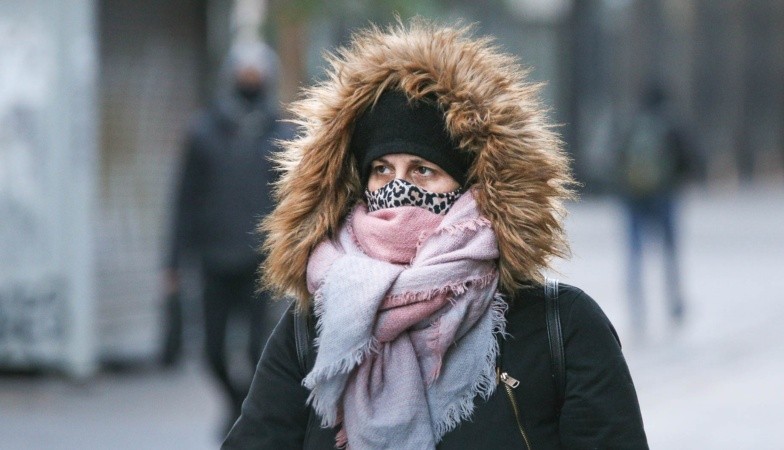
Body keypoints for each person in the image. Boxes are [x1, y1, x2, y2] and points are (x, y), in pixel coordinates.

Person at [224, 20, 648, 449]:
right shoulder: (312, 330)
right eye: (382, 170)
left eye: (423, 170)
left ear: (474, 186)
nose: (398, 189)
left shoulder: (559, 326)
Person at [164, 40, 291, 431]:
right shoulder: (203, 131)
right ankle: (236, 402)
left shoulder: (284, 135)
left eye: (258, 72)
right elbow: (184, 201)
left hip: (263, 265)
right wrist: (172, 263)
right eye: (244, 71)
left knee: (259, 351)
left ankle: (247, 417)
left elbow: (296, 202)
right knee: (211, 352)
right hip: (213, 261)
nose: (250, 78)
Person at [616, 84, 691, 336]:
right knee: (670, 254)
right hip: (664, 197)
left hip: (633, 199)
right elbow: (689, 158)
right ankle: (674, 303)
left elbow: (615, 158)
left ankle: (637, 309)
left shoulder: (630, 123)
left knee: (634, 256)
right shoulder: (671, 124)